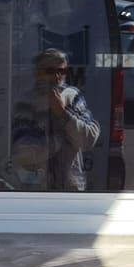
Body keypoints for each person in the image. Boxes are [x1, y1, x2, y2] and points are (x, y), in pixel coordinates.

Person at [21, 47, 100, 191]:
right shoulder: (27, 102)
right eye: (50, 71)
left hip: (70, 187)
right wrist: (57, 140)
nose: (57, 76)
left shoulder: (73, 96)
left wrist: (63, 113)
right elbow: (24, 154)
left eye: (62, 71)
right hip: (35, 188)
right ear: (38, 73)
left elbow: (89, 139)